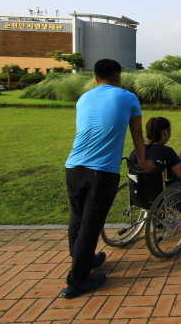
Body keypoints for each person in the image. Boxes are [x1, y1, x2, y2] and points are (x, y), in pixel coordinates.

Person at [62, 59, 154, 299]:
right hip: (101, 171)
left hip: (73, 166)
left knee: (78, 218)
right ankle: (78, 280)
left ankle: (84, 260)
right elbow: (137, 135)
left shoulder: (84, 99)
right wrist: (143, 162)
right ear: (118, 75)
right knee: (91, 224)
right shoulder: (127, 97)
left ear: (95, 78)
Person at [129, 117, 181, 215]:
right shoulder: (166, 151)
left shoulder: (136, 153)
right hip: (164, 196)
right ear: (164, 133)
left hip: (140, 196)